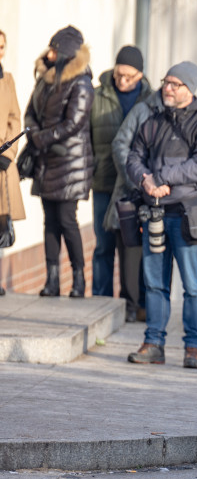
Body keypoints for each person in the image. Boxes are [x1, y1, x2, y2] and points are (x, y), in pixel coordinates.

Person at [125, 61, 197, 369]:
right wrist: (145, 179)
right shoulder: (152, 120)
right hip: (153, 213)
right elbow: (133, 156)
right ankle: (153, 342)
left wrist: (163, 177)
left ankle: (194, 348)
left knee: (193, 285)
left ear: (189, 89)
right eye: (166, 82)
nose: (166, 88)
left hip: (188, 216)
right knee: (154, 283)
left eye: (174, 84)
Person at [22, 26, 95, 298]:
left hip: (70, 163)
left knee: (67, 220)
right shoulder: (45, 79)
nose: (49, 53)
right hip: (45, 161)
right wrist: (33, 133)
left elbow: (74, 123)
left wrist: (43, 138)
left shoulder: (81, 83)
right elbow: (31, 112)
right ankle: (51, 280)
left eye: (55, 49)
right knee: (49, 221)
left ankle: (78, 279)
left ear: (66, 53)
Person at [89, 45, 153, 303]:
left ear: (140, 75)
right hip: (104, 181)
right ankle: (100, 300)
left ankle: (134, 302)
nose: (123, 81)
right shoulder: (98, 96)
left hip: (135, 186)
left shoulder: (149, 100)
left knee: (134, 247)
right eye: (119, 75)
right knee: (104, 245)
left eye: (129, 77)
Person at [0, 28, 25, 296]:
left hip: (1, 162)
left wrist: (8, 153)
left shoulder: (7, 80)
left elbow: (14, 118)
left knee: (0, 222)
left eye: (2, 46)